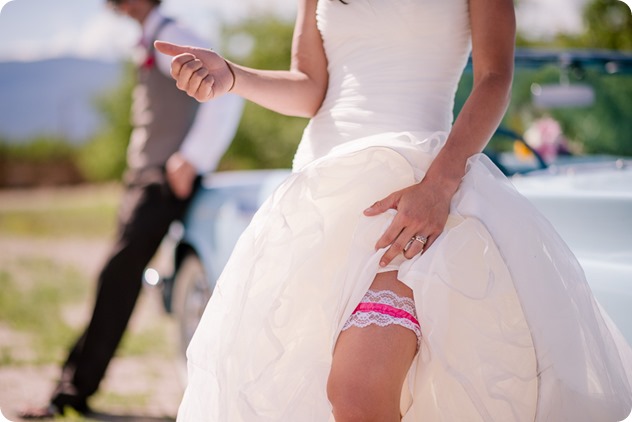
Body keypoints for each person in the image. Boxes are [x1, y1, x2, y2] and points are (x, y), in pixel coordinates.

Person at [156, 0, 632, 420]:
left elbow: (494, 77)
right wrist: (233, 76)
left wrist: (439, 185)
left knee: (357, 393)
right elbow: (310, 87)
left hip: (416, 190)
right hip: (321, 200)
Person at [19, 0, 243, 419]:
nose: (115, 7)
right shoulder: (149, 39)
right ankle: (70, 390)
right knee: (116, 277)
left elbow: (227, 95)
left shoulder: (174, 36)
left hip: (162, 181)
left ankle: (70, 393)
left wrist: (192, 157)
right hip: (145, 178)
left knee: (117, 277)